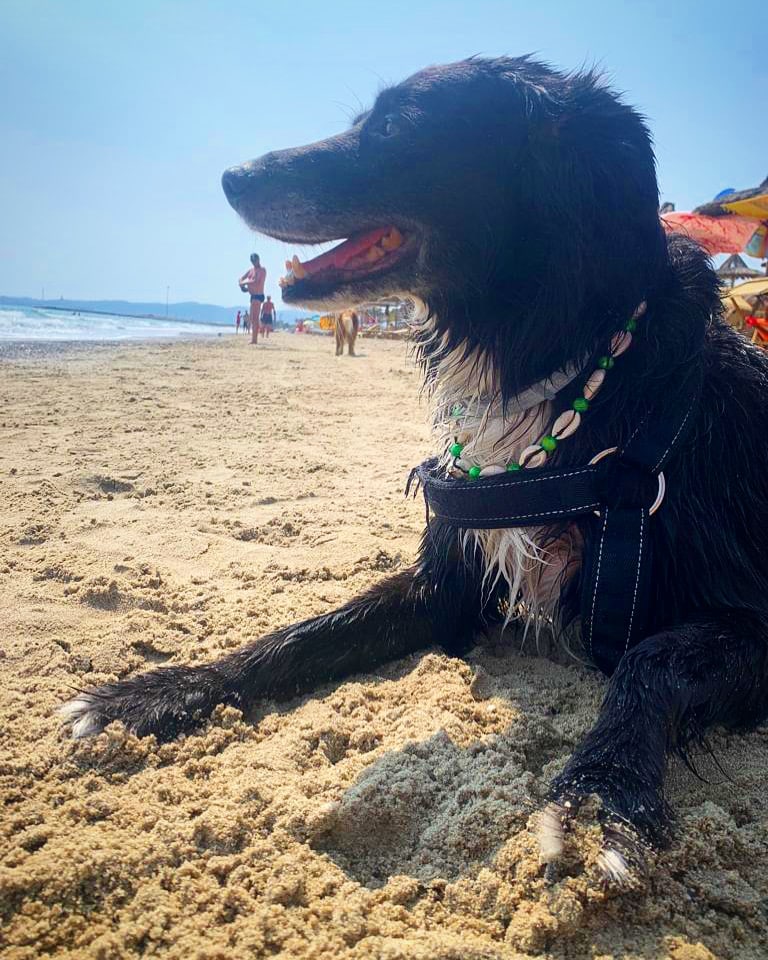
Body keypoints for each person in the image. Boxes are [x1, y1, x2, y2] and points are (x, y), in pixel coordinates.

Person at [238, 253, 266, 344]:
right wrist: (241, 284)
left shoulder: (262, 270)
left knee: (255, 317)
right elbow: (241, 278)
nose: (254, 262)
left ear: (258, 259)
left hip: (258, 295)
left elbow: (256, 281)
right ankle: (257, 333)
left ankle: (254, 339)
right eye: (253, 261)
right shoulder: (251, 270)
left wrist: (244, 283)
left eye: (255, 260)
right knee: (252, 318)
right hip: (252, 295)